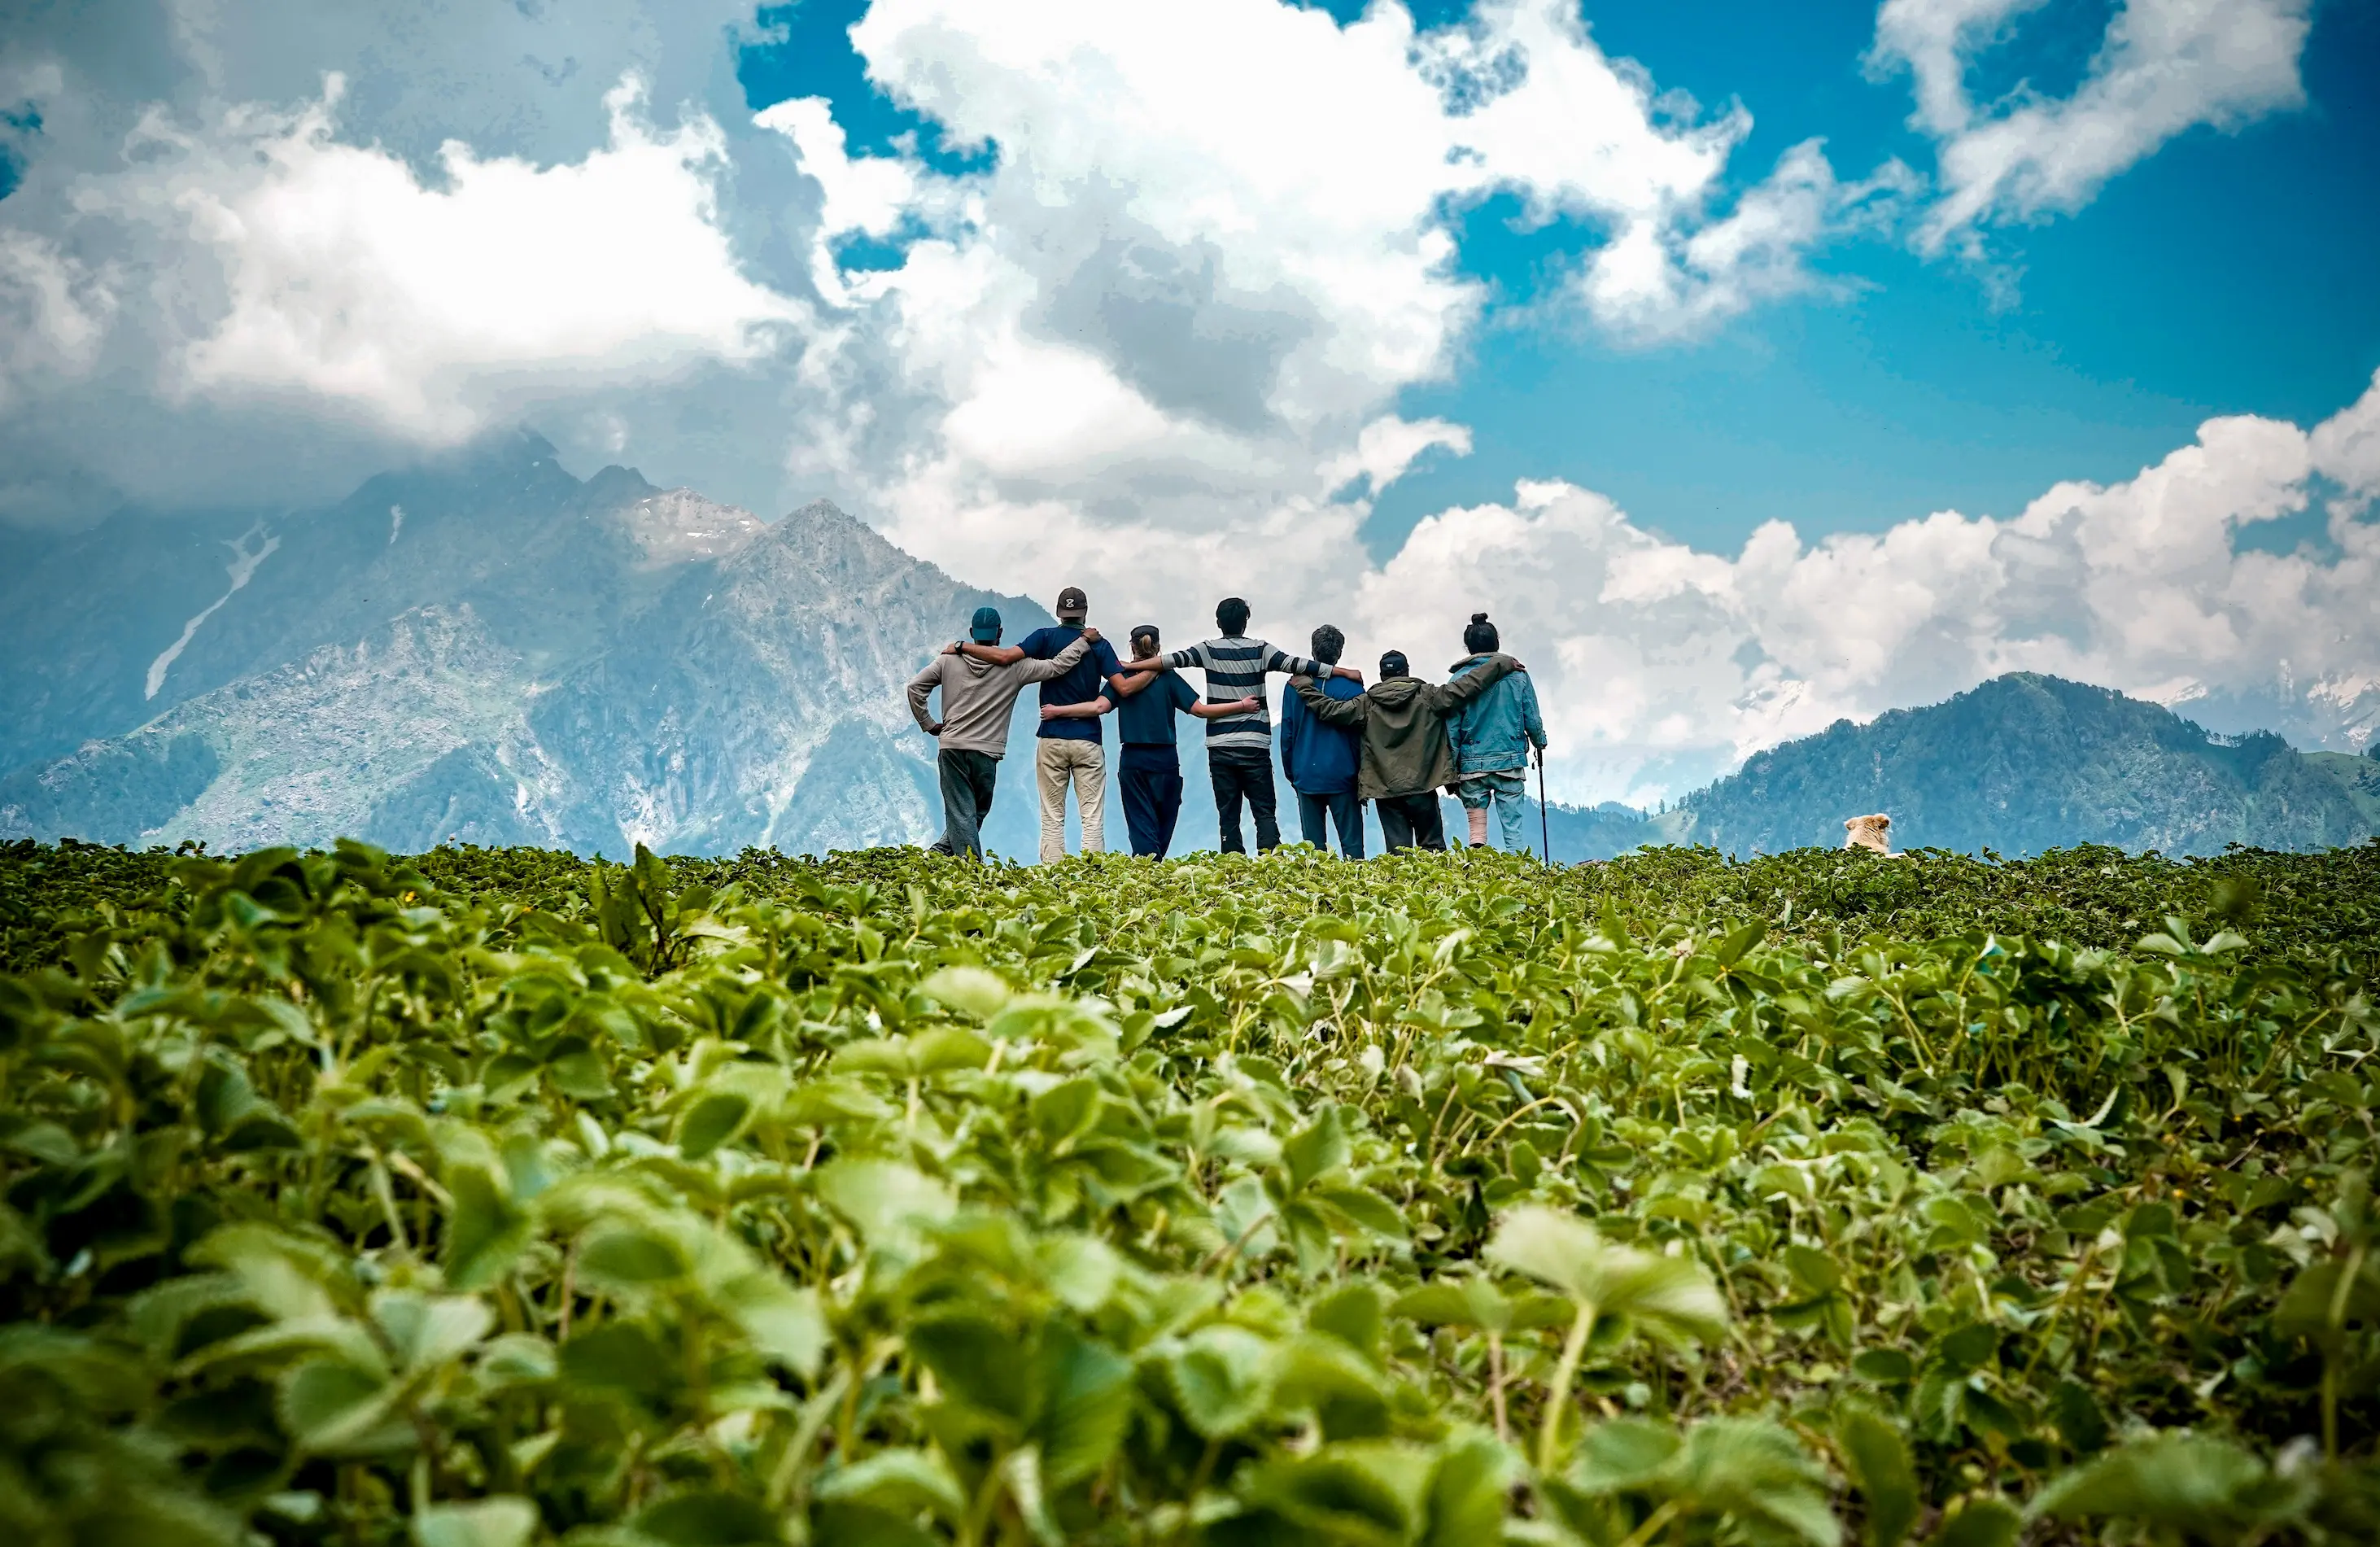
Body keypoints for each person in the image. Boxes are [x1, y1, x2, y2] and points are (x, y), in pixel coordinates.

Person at [1128, 597, 1360, 854]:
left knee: (1228, 816)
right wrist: (1343, 672)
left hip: (1220, 747)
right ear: (1245, 622)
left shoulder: (1206, 650)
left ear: (1218, 622)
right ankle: (1270, 863)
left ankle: (1233, 870)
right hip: (1255, 746)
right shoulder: (1261, 650)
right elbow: (1298, 664)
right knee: (1264, 813)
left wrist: (1130, 665)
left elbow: (1168, 661)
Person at [950, 585, 1125, 864]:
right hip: (1088, 738)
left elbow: (1005, 657)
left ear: (1059, 613)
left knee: (1052, 814)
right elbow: (1121, 686)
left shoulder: (1044, 637)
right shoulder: (1099, 645)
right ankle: (1094, 874)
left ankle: (1052, 874)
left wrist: (961, 646)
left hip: (1051, 738)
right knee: (1091, 814)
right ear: (1085, 612)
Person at [906, 605, 1095, 859]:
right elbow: (1057, 667)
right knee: (973, 811)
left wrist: (929, 723)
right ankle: (970, 869)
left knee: (965, 811)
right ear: (1000, 633)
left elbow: (915, 687)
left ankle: (940, 854)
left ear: (972, 633)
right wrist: (1083, 642)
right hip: (987, 751)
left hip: (952, 747)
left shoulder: (947, 661)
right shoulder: (1017, 668)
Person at [1289, 647, 1522, 853]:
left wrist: (1305, 688)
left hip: (1387, 791)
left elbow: (1330, 710)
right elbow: (1468, 686)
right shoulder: (1429, 697)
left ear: (1382, 675)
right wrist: (1500, 663)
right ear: (1407, 671)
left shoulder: (1366, 705)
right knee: (1432, 851)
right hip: (1423, 786)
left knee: (1399, 858)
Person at [1090, 623, 1260, 857]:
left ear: (1132, 647)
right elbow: (1200, 710)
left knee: (1140, 823)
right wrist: (1241, 706)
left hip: (1133, 759)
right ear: (1158, 647)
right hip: (1166, 760)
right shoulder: (1169, 678)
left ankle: (1145, 874)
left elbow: (1100, 706)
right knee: (1164, 822)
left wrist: (1060, 711)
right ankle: (1154, 870)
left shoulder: (1121, 680)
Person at [1445, 612, 1548, 851]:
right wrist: (1539, 742)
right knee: (1513, 830)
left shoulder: (1458, 679)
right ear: (1496, 642)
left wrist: (1451, 765)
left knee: (1477, 830)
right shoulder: (1518, 675)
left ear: (1468, 647)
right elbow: (1531, 716)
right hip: (1509, 761)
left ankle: (1478, 870)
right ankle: (1517, 874)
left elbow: (1451, 729)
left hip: (1471, 765)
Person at [1277, 623, 1365, 858]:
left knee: (1314, 853)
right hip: (1344, 774)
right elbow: (1361, 736)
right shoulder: (1354, 688)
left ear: (1313, 652)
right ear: (1340, 652)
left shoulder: (1293, 687)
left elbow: (1287, 734)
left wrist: (1292, 772)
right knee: (1353, 848)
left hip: (1306, 774)